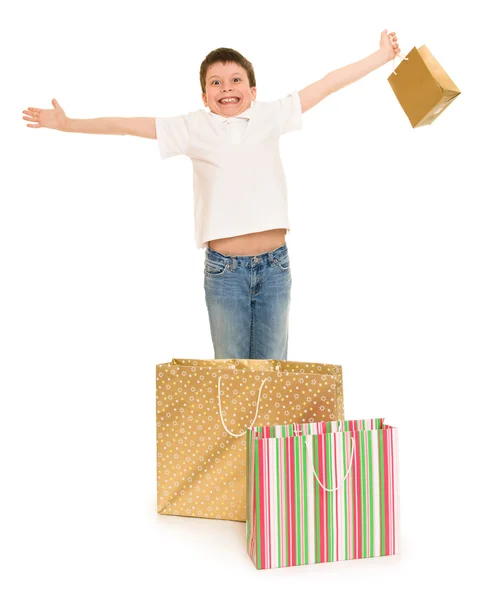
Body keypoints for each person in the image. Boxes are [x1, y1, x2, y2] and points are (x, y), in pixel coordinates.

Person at [22, 30, 401, 360]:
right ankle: (238, 445)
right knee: (231, 377)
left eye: (235, 80)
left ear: (253, 91)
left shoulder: (273, 115)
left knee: (274, 374)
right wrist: (68, 125)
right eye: (216, 83)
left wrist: (382, 56)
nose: (227, 89)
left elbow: (329, 83)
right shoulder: (192, 128)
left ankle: (268, 446)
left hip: (276, 268)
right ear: (204, 96)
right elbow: (124, 125)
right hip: (226, 273)